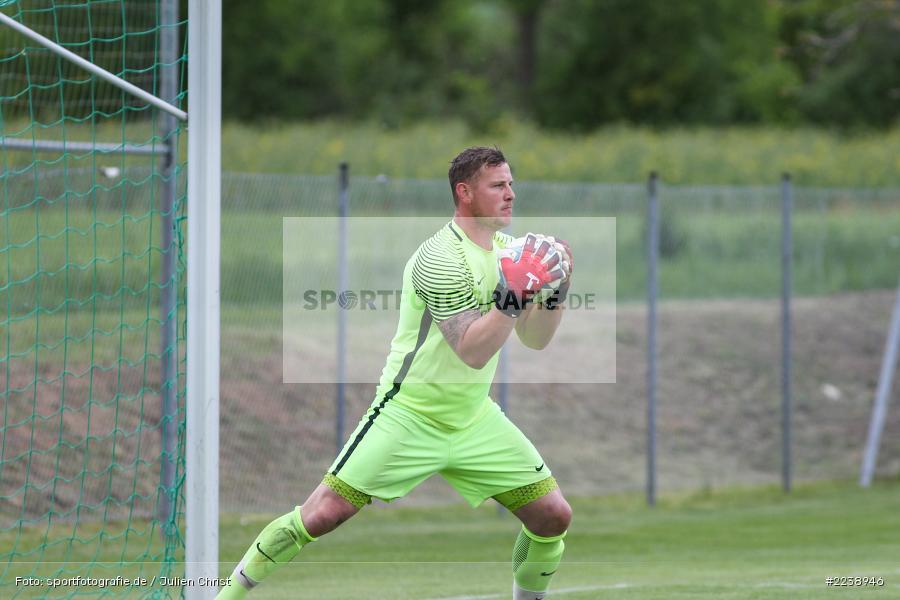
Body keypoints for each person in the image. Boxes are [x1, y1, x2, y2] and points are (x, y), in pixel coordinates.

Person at [216, 146, 575, 600]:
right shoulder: (439, 257)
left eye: (511, 184)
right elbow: (472, 351)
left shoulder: (511, 253)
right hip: (409, 413)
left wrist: (559, 288)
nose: (511, 194)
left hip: (473, 418)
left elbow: (536, 339)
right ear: (464, 193)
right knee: (322, 514)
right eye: (498, 185)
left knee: (552, 516)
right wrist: (512, 297)